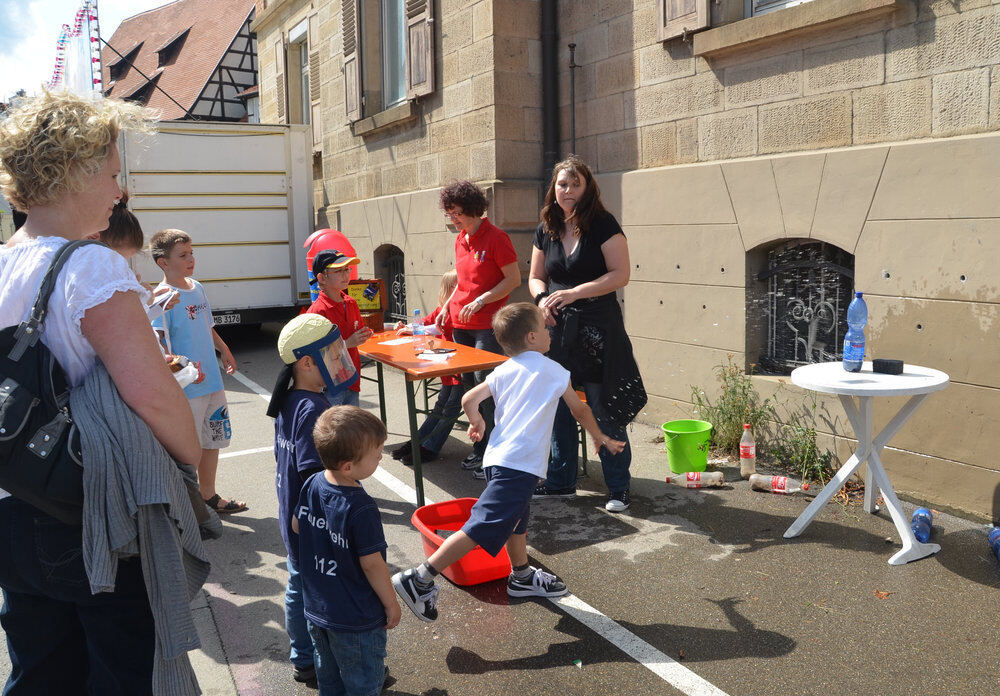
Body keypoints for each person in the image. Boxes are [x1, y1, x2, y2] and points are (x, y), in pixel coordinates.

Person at [0, 91, 202, 693]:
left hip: (14, 499)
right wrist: (189, 466)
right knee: (124, 670)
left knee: (41, 670)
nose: (120, 192)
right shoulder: (90, 267)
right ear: (74, 170)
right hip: (90, 509)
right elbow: (151, 396)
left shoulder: (7, 260)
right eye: (113, 173)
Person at [392, 303, 625, 622]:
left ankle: (522, 576)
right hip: (519, 465)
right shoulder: (554, 371)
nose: (549, 333)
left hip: (498, 460)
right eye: (545, 329)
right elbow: (580, 411)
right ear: (532, 337)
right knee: (481, 527)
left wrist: (477, 423)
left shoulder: (503, 369)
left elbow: (468, 398)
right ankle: (419, 578)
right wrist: (599, 437)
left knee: (517, 518)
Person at [528, 156, 647, 512]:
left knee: (601, 405)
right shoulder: (546, 226)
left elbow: (620, 274)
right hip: (557, 330)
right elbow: (536, 276)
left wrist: (576, 292)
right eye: (562, 184)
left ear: (587, 187)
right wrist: (540, 300)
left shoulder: (602, 224)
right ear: (554, 187)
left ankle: (618, 487)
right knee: (561, 404)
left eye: (575, 184)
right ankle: (561, 481)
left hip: (598, 327)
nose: (568, 191)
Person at [266, 313, 355, 686]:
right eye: (331, 355)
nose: (338, 361)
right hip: (311, 525)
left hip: (293, 519)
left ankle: (302, 659)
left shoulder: (291, 399)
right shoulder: (314, 409)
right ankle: (319, 663)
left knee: (297, 586)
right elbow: (313, 476)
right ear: (306, 362)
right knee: (316, 595)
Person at [291, 406, 401, 695]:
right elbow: (372, 565)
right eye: (376, 453)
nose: (380, 457)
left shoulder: (313, 482)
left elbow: (297, 525)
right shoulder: (361, 506)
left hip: (318, 609)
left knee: (329, 679)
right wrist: (391, 603)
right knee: (363, 682)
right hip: (356, 618)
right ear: (348, 466)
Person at [150, 228, 247, 514]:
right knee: (188, 449)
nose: (191, 259)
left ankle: (208, 496)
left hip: (213, 383)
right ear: (163, 262)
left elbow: (207, 326)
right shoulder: (162, 296)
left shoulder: (197, 286)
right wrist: (186, 366)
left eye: (192, 253)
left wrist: (224, 350)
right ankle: (185, 506)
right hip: (187, 387)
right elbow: (160, 342)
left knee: (212, 439)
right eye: (183, 255)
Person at [436, 180, 520, 477]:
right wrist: (447, 306)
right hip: (461, 323)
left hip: (487, 325)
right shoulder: (460, 239)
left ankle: (497, 453)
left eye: (457, 212)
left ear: (473, 208)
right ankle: (481, 449)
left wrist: (484, 299)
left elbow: (512, 280)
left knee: (488, 389)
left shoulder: (497, 237)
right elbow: (462, 280)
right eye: (450, 214)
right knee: (470, 390)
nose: (454, 219)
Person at [390, 269, 464, 465]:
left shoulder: (456, 310)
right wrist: (406, 327)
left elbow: (436, 327)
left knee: (450, 409)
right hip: (448, 367)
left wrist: (414, 329)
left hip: (457, 368)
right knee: (442, 406)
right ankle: (419, 442)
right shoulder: (443, 309)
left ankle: (430, 447)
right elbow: (426, 322)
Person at [306, 248, 374, 407]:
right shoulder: (317, 311)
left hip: (352, 379)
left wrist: (365, 334)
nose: (346, 274)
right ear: (322, 278)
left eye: (347, 269)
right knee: (332, 429)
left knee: (350, 429)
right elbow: (315, 353)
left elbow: (357, 331)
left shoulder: (351, 303)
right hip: (330, 386)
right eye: (339, 271)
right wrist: (347, 343)